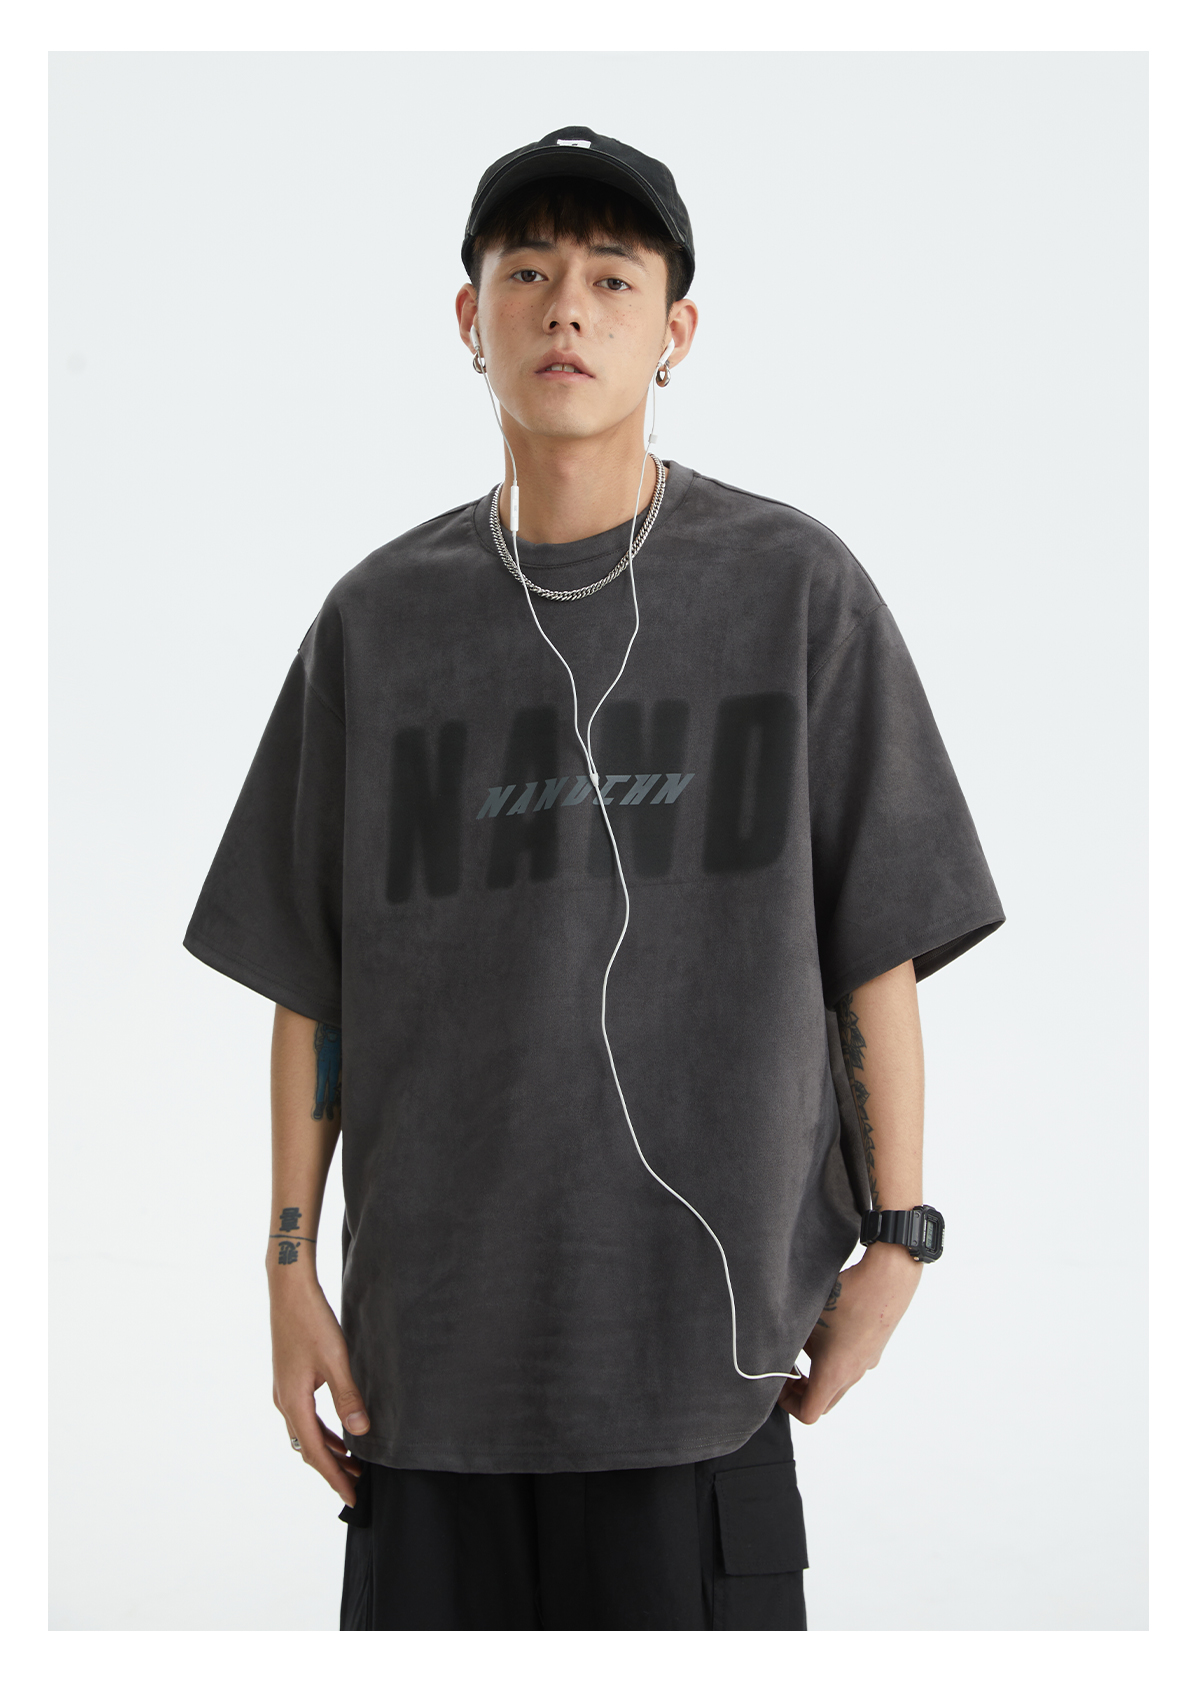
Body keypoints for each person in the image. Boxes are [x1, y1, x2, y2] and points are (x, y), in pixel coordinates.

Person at [184, 125, 1004, 1631]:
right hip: (425, 1389)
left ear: (676, 331)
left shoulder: (794, 591)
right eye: (529, 272)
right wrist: (287, 1271)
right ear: (470, 319)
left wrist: (900, 1240)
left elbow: (873, 946)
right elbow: (313, 981)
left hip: (702, 1380)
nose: (568, 306)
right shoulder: (375, 625)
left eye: (614, 278)